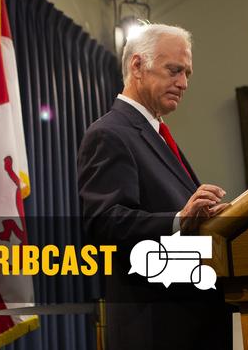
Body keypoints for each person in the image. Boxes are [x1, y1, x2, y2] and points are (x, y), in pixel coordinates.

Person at [77, 23, 233, 350]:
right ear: (138, 66)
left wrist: (205, 220)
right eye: (174, 70)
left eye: (187, 73)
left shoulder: (155, 133)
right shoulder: (110, 133)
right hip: (156, 328)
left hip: (193, 324)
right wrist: (178, 219)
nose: (184, 83)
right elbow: (105, 223)